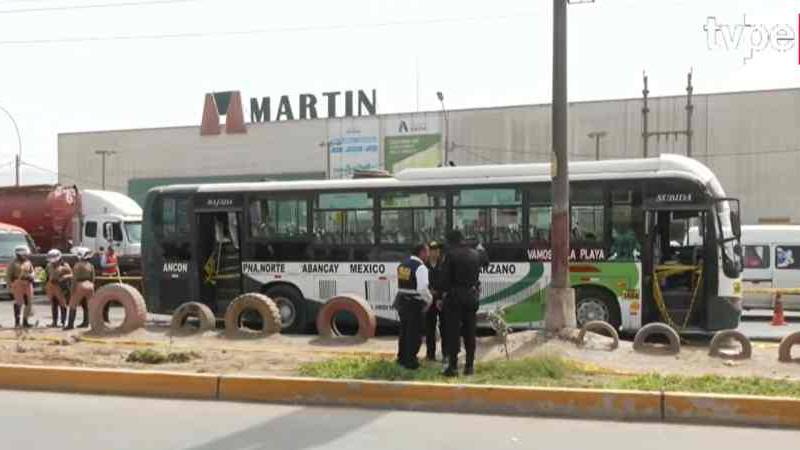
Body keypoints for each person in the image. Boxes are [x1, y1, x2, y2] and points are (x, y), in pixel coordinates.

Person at [440, 230, 483, 377]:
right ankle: (469, 367)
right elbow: (481, 269)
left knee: (453, 332)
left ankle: (453, 367)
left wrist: (442, 295)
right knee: (470, 332)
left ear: (451, 241)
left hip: (455, 298)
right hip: (471, 296)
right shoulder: (475, 254)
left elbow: (445, 280)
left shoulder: (450, 255)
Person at [393, 243, 432, 370]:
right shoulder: (420, 267)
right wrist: (429, 300)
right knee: (414, 333)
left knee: (404, 332)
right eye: (427, 251)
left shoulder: (403, 264)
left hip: (402, 302)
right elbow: (422, 289)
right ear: (422, 252)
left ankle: (402, 358)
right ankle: (411, 361)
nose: (429, 255)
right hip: (414, 303)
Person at [424, 240, 446, 361]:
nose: (435, 253)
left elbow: (447, 282)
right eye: (432, 250)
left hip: (441, 300)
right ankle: (430, 354)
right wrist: (429, 291)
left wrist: (439, 294)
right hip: (429, 300)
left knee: (444, 328)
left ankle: (445, 354)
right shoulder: (424, 265)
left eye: (437, 250)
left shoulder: (444, 265)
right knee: (429, 328)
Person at [65, 248, 95, 330]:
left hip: (80, 285)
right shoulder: (90, 265)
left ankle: (70, 325)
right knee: (87, 305)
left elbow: (74, 278)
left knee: (72, 305)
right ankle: (86, 322)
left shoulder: (77, 265)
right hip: (90, 285)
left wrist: (72, 290)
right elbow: (93, 278)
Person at [6, 246, 34, 328]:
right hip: (17, 284)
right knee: (19, 302)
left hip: (27, 284)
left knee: (29, 303)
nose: (26, 255)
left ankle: (25, 321)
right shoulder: (13, 263)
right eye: (25, 254)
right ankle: (17, 322)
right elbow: (8, 276)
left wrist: (31, 276)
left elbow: (32, 271)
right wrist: (10, 288)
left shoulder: (28, 262)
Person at [45, 249, 72, 328]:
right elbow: (46, 275)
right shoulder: (49, 265)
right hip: (51, 286)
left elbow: (71, 274)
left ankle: (63, 322)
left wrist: (63, 277)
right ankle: (54, 322)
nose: (53, 261)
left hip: (60, 287)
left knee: (62, 304)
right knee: (54, 304)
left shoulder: (65, 265)